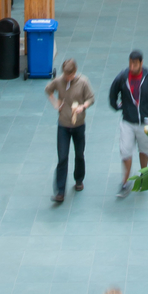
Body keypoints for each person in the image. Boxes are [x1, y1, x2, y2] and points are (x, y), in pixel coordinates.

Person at [108, 50, 148, 194]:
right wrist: (118, 106)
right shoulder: (122, 77)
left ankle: (144, 174)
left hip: (145, 123)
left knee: (144, 151)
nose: (132, 66)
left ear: (141, 63)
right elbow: (113, 93)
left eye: (135, 63)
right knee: (125, 152)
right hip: (128, 122)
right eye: (130, 63)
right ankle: (125, 182)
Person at [45, 57, 95, 204]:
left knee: (79, 154)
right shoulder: (59, 81)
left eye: (70, 76)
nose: (68, 78)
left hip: (78, 125)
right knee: (62, 157)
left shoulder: (83, 82)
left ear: (75, 72)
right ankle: (60, 191)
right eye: (66, 76)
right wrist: (56, 103)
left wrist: (83, 107)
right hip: (63, 125)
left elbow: (91, 98)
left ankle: (79, 179)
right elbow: (48, 90)